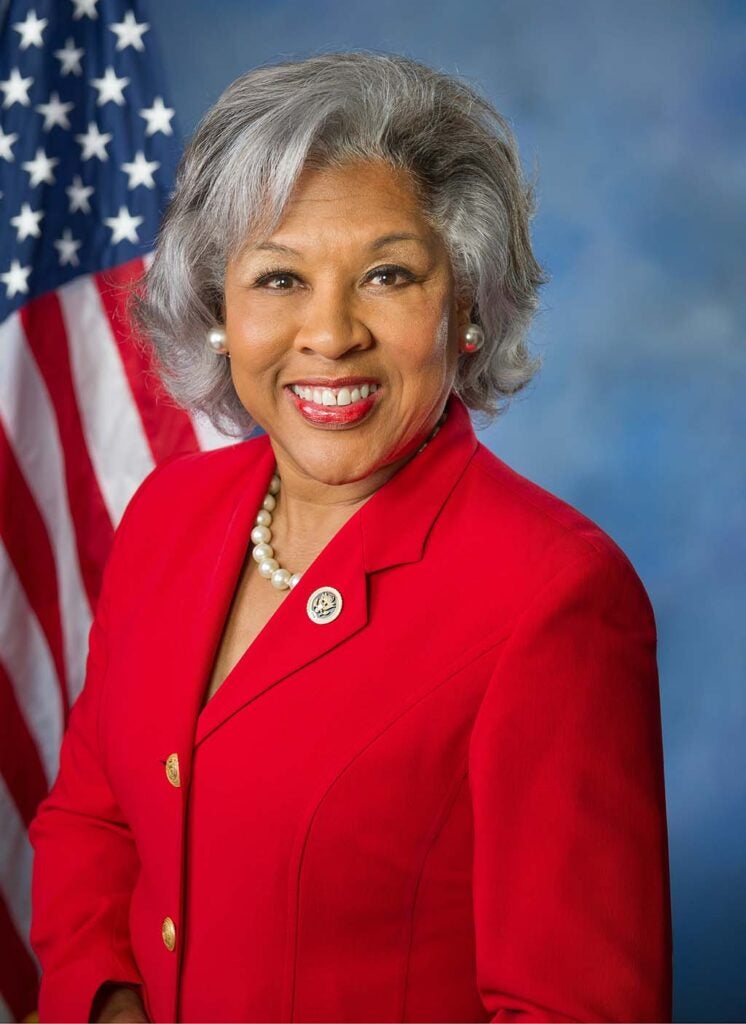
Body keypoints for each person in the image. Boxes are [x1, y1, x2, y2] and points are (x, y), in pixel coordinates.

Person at [28, 51, 672, 1024]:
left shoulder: (551, 594)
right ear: (219, 311)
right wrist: (109, 1005)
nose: (328, 334)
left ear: (464, 308)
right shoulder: (171, 514)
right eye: (279, 277)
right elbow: (95, 820)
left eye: (385, 275)